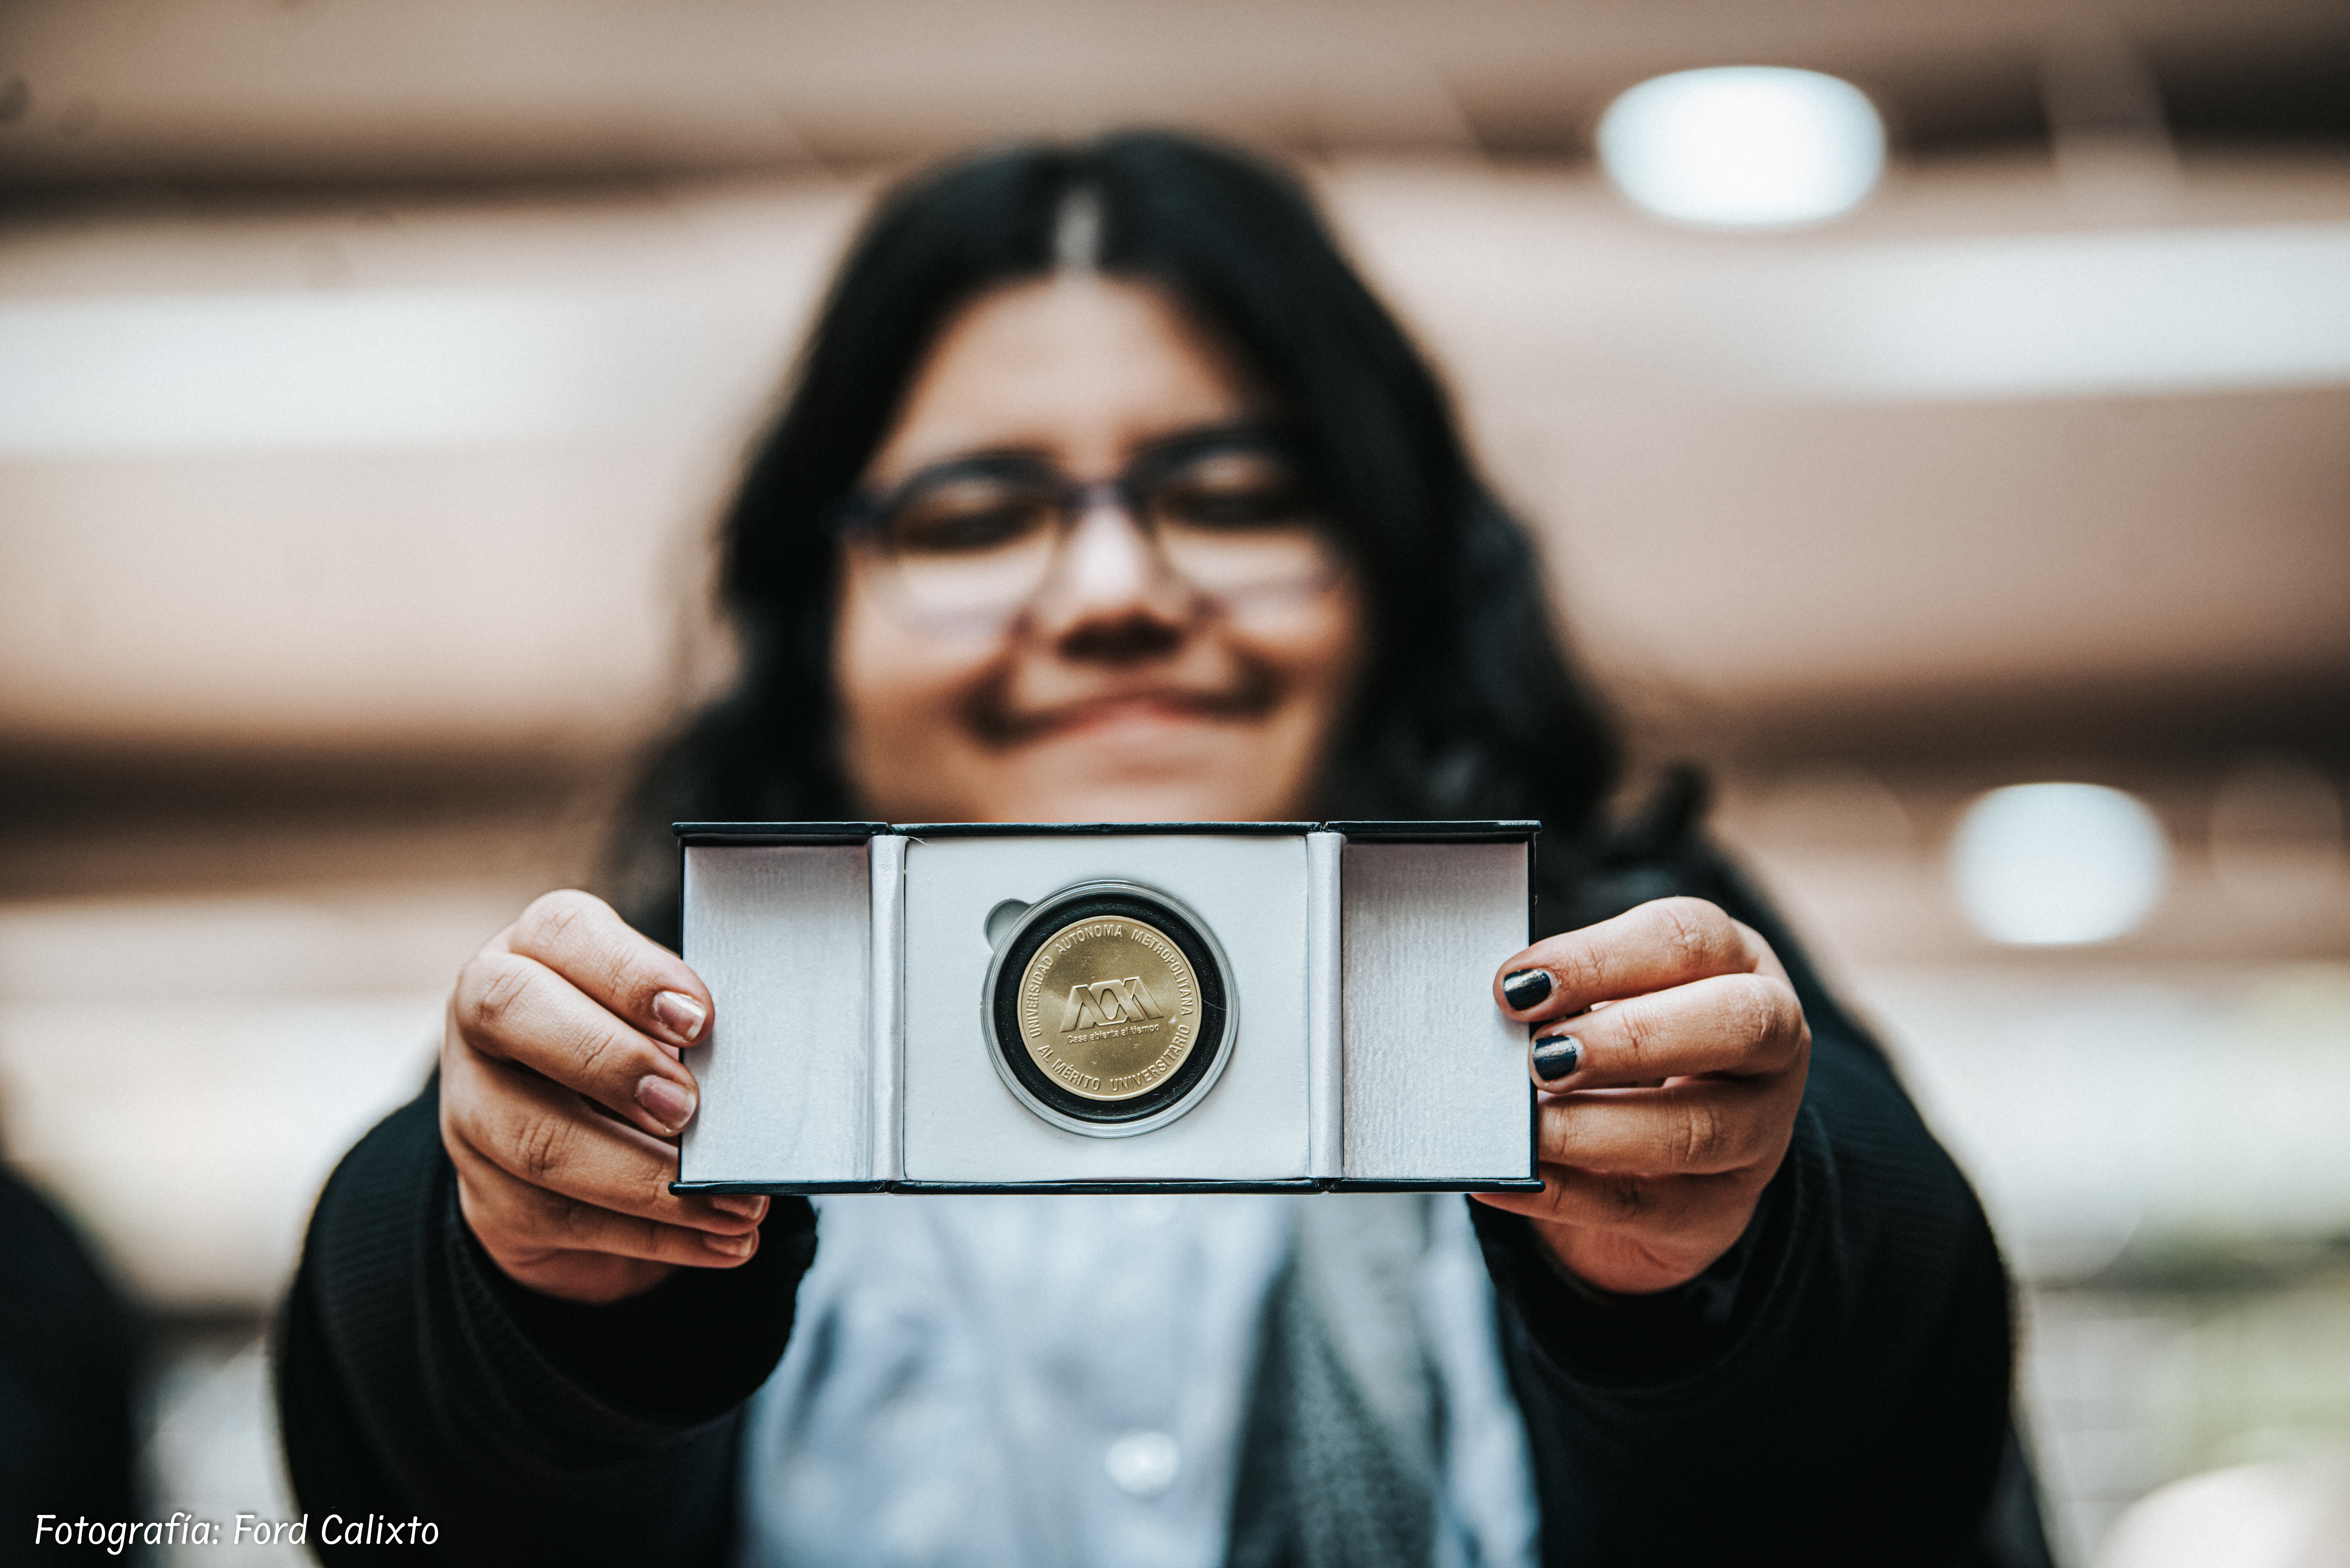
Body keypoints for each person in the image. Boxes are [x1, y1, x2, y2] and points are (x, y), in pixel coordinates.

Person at [275, 131, 2043, 1566]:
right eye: (975, 515)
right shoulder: (684, 1044)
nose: (1117, 594)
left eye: (1236, 495)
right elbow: (410, 1496)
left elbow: (1878, 1434)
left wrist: (1715, 1267)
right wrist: (542, 1294)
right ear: (815, 612)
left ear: (1395, 572)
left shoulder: (1621, 974)